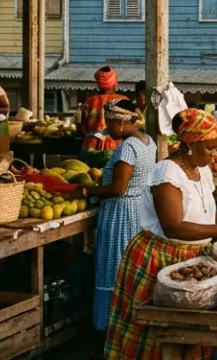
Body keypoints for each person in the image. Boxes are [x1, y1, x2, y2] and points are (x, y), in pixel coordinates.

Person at [105, 108, 217, 360]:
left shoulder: (202, 171)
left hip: (193, 259)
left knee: (190, 335)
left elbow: (208, 212)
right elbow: (173, 226)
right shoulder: (167, 173)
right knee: (157, 333)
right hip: (161, 258)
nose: (214, 154)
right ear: (189, 144)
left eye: (216, 148)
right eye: (209, 148)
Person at [71, 98, 156, 333]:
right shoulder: (148, 142)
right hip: (139, 211)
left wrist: (88, 190)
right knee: (131, 269)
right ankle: (132, 325)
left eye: (109, 123)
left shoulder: (127, 148)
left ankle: (109, 329)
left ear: (120, 123)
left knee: (113, 268)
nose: (107, 128)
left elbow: (118, 188)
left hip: (121, 214)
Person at [80, 66, 122, 156]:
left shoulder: (89, 102)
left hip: (90, 146)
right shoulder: (122, 100)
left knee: (88, 170)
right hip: (115, 146)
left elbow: (83, 125)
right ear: (115, 83)